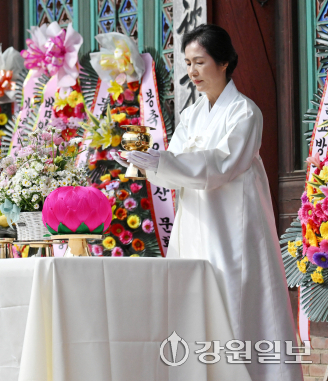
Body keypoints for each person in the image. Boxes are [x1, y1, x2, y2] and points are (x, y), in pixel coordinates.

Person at [118, 24, 301, 381]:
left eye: (199, 62)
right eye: (187, 63)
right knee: (193, 306)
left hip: (234, 228)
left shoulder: (245, 113)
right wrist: (149, 165)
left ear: (224, 62)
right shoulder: (190, 115)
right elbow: (174, 168)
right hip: (195, 226)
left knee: (236, 304)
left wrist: (163, 162)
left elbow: (222, 164)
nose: (192, 72)